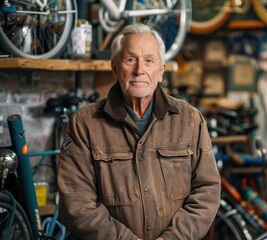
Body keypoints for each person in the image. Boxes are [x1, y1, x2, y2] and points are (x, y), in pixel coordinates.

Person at [57, 23, 221, 240]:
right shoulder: (85, 124)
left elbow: (207, 191)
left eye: (149, 61)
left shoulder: (189, 120)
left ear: (161, 72)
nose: (139, 70)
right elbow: (76, 204)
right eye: (130, 60)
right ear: (115, 68)